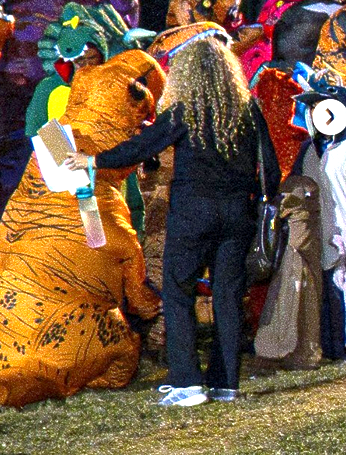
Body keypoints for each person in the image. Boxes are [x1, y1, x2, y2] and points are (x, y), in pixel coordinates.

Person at [65, 38, 280, 406]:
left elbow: (142, 146)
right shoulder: (248, 110)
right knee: (228, 298)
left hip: (193, 213)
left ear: (188, 74)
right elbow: (271, 170)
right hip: (236, 215)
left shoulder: (186, 112)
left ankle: (187, 382)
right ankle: (226, 384)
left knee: (178, 292)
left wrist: (91, 161)